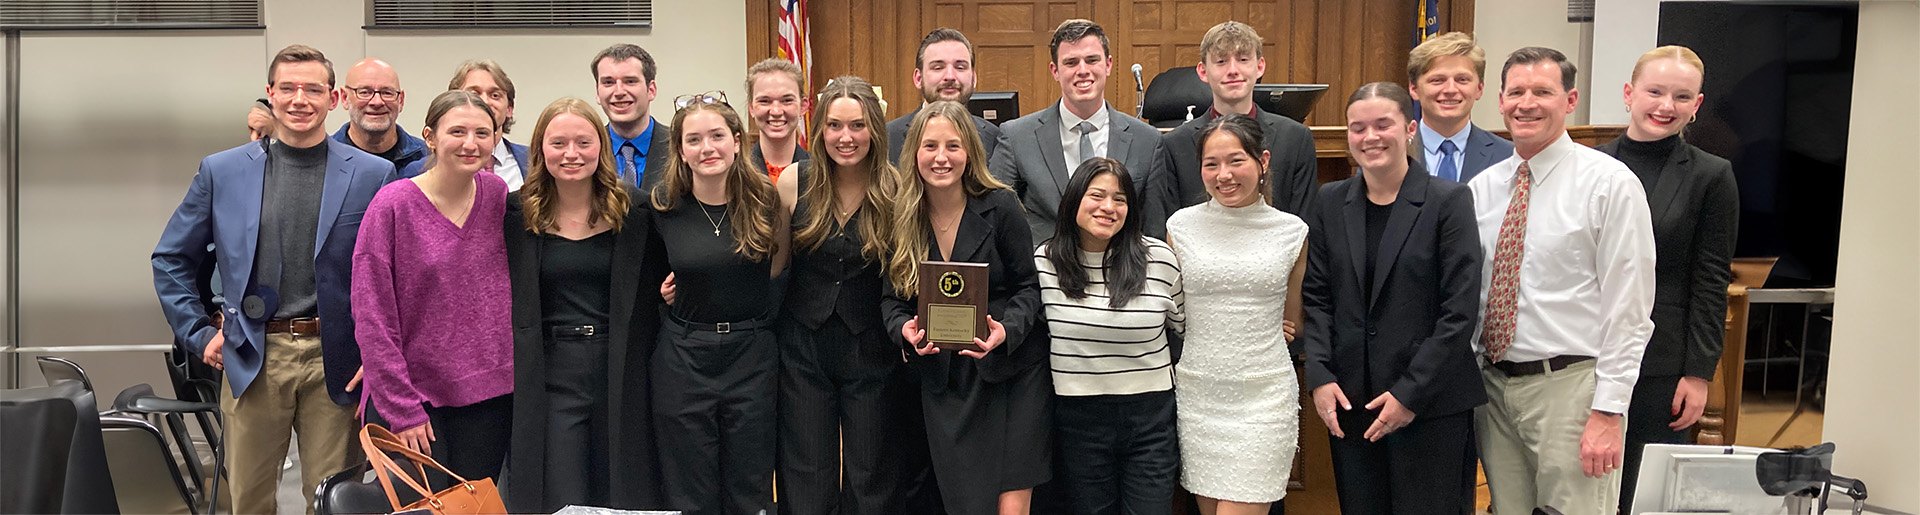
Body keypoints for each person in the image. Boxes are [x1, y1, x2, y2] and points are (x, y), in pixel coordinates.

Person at [152, 44, 394, 515]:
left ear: (334, 96)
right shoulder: (222, 171)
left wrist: (382, 351)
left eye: (313, 89)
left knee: (332, 501)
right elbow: (171, 258)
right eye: (288, 88)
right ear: (271, 94)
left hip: (339, 360)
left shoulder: (374, 175)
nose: (299, 99)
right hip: (252, 355)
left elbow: (391, 274)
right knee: (249, 501)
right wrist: (199, 333)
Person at [1467, 47, 1656, 515]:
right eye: (1517, 92)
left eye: (1543, 92)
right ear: (1500, 100)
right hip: (1494, 389)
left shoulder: (1609, 184)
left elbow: (1629, 308)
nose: (1526, 103)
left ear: (1570, 101)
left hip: (1572, 391)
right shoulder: (1482, 189)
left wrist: (1609, 411)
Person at [1299, 82, 1485, 515]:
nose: (1370, 137)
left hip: (1429, 404)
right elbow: (1319, 297)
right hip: (1353, 402)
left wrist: (1409, 395)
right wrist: (1321, 377)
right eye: (1357, 128)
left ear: (1410, 129)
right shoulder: (1330, 201)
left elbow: (1458, 312)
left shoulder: (1448, 201)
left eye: (1383, 125)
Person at [884, 101, 1050, 515]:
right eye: (930, 146)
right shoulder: (901, 215)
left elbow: (1029, 289)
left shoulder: (1001, 205)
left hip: (1011, 376)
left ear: (970, 152)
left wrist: (1006, 330)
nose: (941, 157)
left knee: (1011, 506)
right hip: (946, 382)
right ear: (914, 153)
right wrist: (903, 330)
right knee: (967, 504)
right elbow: (891, 299)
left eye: (953, 146)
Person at [503, 97, 668, 512]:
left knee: (623, 489)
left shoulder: (636, 211)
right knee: (562, 493)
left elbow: (667, 281)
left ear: (602, 146)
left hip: (623, 368)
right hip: (552, 373)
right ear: (540, 148)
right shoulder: (517, 214)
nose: (571, 154)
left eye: (583, 141)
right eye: (558, 143)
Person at [1595, 45, 1738, 513]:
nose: (1664, 106)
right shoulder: (1588, 166)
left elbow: (1710, 280)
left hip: (1661, 363)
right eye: (1654, 91)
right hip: (1583, 353)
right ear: (1628, 93)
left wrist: (1699, 374)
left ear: (1696, 106)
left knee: (1641, 491)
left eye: (1681, 97)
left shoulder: (1712, 176)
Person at [351, 90, 514, 486]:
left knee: (474, 510)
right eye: (457, 131)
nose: (471, 143)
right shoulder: (393, 205)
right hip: (415, 402)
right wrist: (402, 408)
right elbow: (372, 316)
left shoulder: (498, 196)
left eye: (482, 132)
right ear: (430, 136)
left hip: (488, 401)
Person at [649, 93, 799, 515]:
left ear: (737, 141)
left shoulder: (767, 203)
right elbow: (647, 283)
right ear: (680, 150)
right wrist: (664, 295)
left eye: (717, 135)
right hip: (683, 358)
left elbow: (779, 273)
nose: (707, 148)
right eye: (693, 139)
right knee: (688, 489)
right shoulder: (661, 205)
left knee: (749, 487)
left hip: (751, 356)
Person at [776, 77, 912, 515]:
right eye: (834, 126)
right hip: (802, 347)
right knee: (806, 469)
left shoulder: (895, 189)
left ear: (874, 129)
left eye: (856, 126)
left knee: (871, 470)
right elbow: (775, 266)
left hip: (870, 346)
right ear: (819, 130)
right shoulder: (795, 181)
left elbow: (905, 273)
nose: (845, 137)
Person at [1165, 114, 1307, 515]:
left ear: (1262, 161)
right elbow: (1175, 306)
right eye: (1211, 164)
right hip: (1200, 393)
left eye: (1236, 161)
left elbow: (1291, 320)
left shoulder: (1292, 231)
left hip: (1263, 395)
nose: (1223, 174)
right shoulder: (1180, 226)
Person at [1034, 158, 1185, 515]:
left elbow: (1188, 327)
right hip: (1078, 418)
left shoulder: (1159, 259)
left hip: (1150, 416)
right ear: (1073, 201)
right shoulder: (1045, 261)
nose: (1108, 207)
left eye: (1120, 199)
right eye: (1096, 195)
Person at [992, 19, 1163, 240]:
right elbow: (997, 220)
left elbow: (1153, 230)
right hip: (1042, 269)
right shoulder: (1016, 137)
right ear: (1055, 71)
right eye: (1071, 62)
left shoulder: (1148, 141)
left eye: (1092, 60)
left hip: (1121, 270)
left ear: (1108, 65)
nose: (1083, 70)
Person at [1150, 21, 1317, 233]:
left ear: (1260, 67)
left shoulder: (1295, 139)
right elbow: (1169, 229)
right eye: (1221, 61)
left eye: (1243, 59)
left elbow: (1305, 226)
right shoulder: (1174, 145)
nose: (1233, 70)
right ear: (1202, 72)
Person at [1407, 32, 1513, 183]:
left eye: (1462, 80)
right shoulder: (1391, 153)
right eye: (1437, 80)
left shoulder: (1507, 155)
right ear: (1414, 89)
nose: (1450, 90)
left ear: (1479, 89)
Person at [885, 28, 1003, 163]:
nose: (950, 77)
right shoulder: (887, 138)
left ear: (974, 79)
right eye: (938, 67)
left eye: (960, 67)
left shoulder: (995, 138)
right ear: (918, 78)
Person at [595, 43, 672, 191]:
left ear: (651, 90)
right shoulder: (587, 151)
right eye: (608, 82)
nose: (619, 92)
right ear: (598, 93)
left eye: (630, 81)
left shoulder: (679, 146)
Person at [332, 58, 428, 171]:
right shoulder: (326, 159)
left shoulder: (428, 160)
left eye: (387, 93)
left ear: (401, 100)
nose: (377, 102)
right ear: (344, 98)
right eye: (365, 92)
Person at [745, 58, 812, 182]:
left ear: (803, 106)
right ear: (751, 108)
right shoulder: (735, 172)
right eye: (765, 101)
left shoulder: (821, 173)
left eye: (787, 100)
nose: (776, 111)